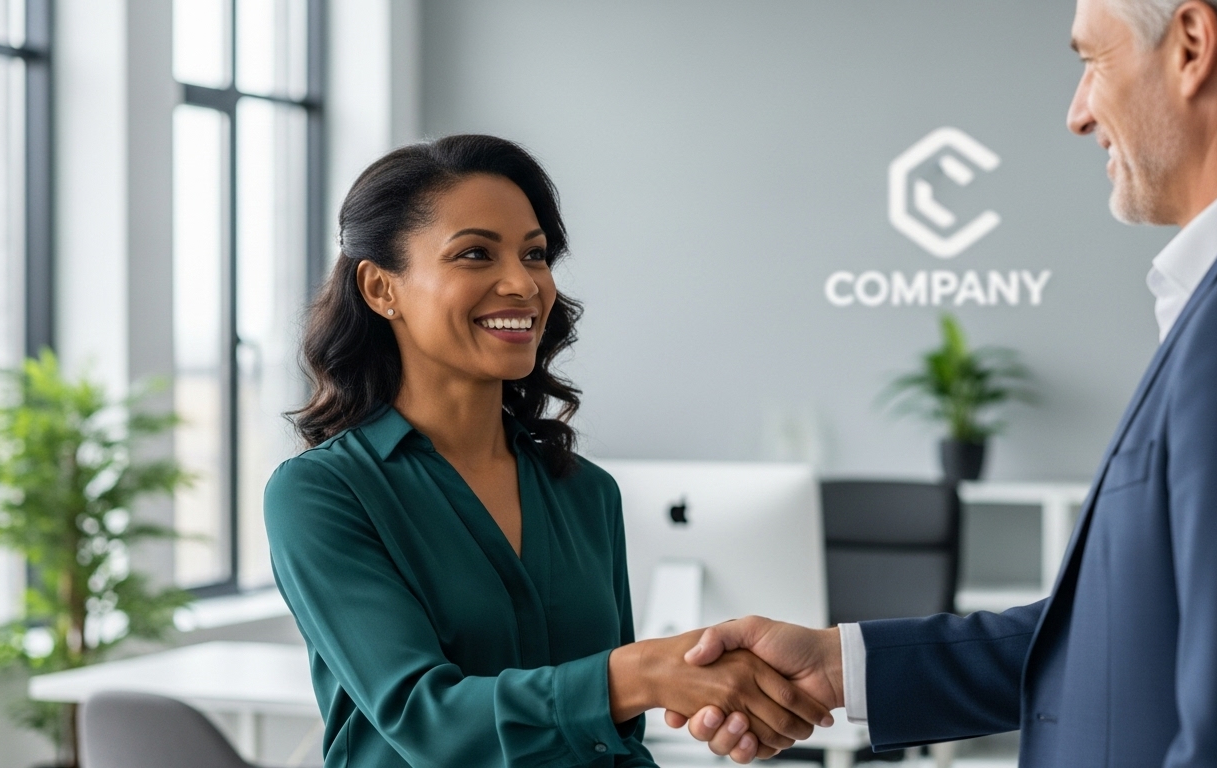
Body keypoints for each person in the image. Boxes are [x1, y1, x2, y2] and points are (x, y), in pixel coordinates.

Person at [670, 0, 1217, 764]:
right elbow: (1123, 634)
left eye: (1092, 61)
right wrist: (840, 666)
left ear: (1192, 46)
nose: (1077, 114)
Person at [264, 135, 831, 767]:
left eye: (534, 255)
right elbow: (427, 722)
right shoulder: (322, 494)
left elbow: (615, 745)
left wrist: (712, 689)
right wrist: (645, 673)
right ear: (380, 288)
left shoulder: (585, 491)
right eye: (475, 254)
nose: (523, 284)